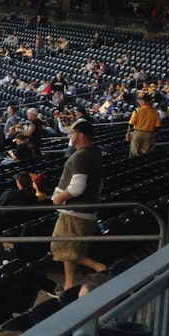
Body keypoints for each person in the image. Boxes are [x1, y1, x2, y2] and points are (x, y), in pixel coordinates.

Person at [51, 119, 107, 291]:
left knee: (62, 247)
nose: (70, 135)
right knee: (71, 249)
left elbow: (77, 187)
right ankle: (69, 285)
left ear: (81, 136)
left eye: (73, 133)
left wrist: (59, 199)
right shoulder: (93, 153)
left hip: (75, 212)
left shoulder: (81, 156)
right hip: (82, 211)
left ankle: (100, 268)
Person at [127, 92, 161, 157]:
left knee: (135, 154)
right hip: (149, 134)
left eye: (141, 100)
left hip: (137, 133)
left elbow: (131, 124)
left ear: (144, 101)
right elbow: (158, 126)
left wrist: (128, 133)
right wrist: (153, 134)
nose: (140, 102)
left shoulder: (137, 110)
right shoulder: (155, 112)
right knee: (146, 155)